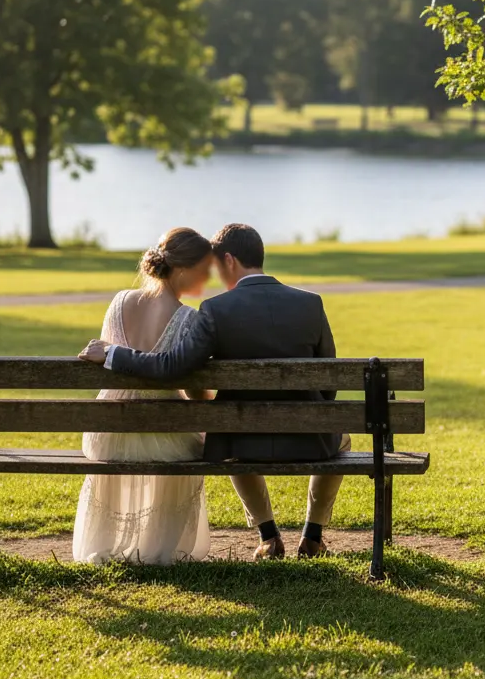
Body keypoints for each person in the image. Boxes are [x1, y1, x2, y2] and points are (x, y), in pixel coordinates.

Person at [78, 223, 346, 561]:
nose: (214, 274)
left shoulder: (215, 311)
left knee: (228, 437)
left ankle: (268, 536)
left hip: (241, 439)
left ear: (230, 260)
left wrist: (114, 354)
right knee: (342, 437)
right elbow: (330, 387)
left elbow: (172, 365)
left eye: (216, 266)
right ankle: (312, 535)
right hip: (310, 439)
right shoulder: (311, 303)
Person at [73, 227, 214, 565]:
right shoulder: (189, 320)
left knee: (150, 438)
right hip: (166, 436)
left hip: (108, 432)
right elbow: (196, 395)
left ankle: (109, 545)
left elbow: (112, 367)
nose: (209, 275)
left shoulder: (119, 302)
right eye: (204, 268)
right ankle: (160, 550)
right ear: (182, 269)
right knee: (188, 441)